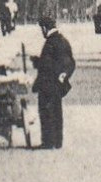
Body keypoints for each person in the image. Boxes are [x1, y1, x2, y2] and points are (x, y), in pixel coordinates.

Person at [31, 15, 75, 150]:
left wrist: (36, 62)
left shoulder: (50, 43)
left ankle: (48, 142)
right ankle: (58, 141)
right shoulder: (63, 40)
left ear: (44, 28)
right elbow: (71, 62)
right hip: (58, 84)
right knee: (57, 111)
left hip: (48, 83)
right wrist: (64, 75)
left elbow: (47, 65)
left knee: (46, 112)